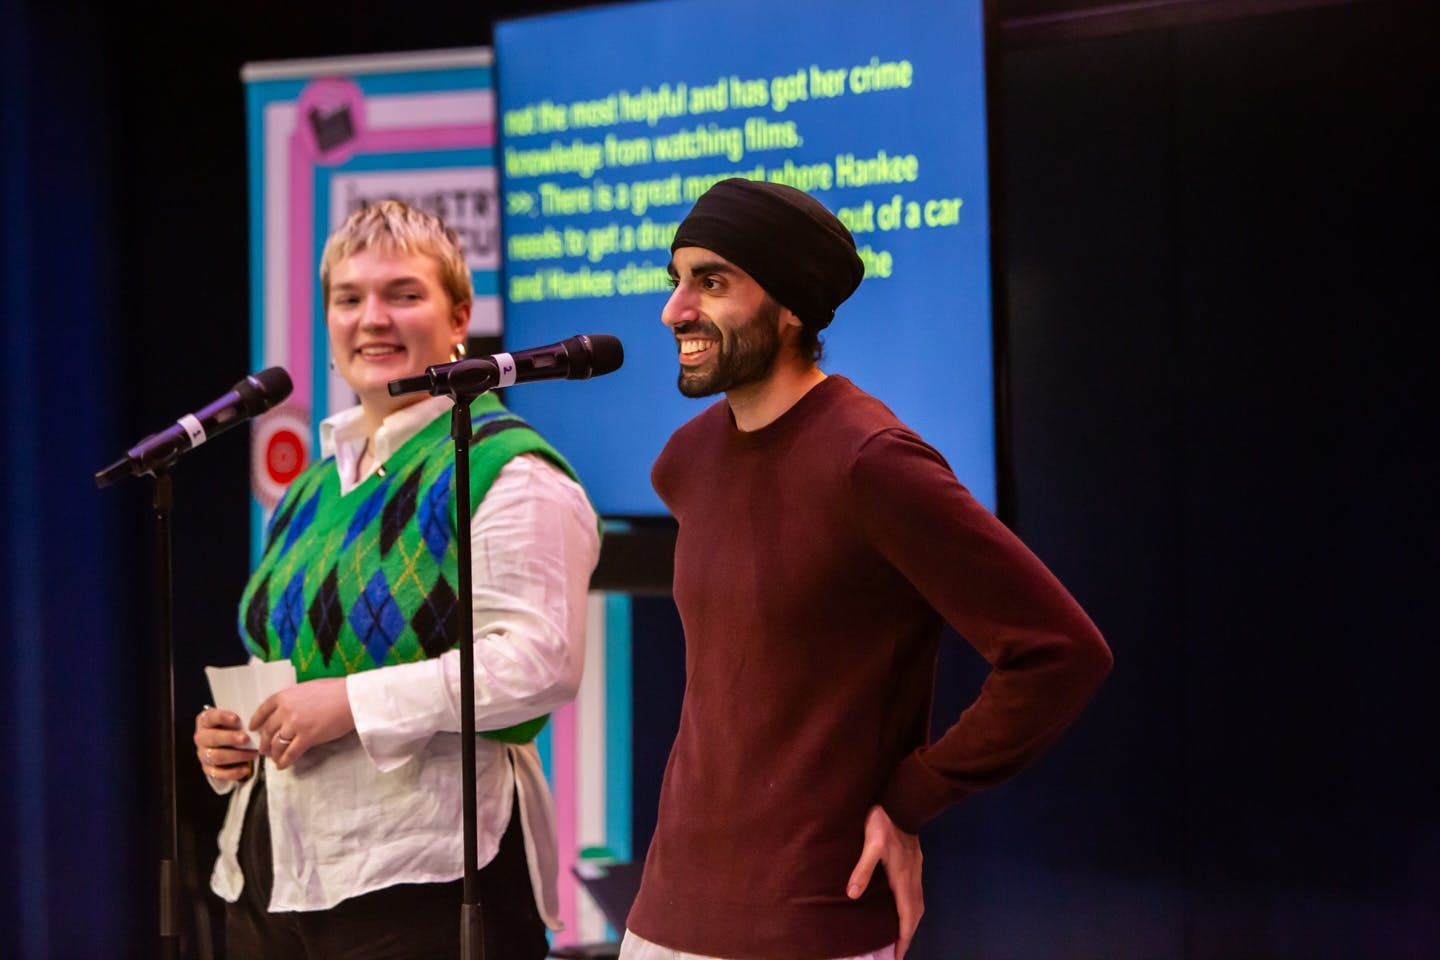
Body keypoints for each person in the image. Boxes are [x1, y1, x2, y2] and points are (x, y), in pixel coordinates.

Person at [621, 178, 1114, 960]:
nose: (675, 309)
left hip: (814, 920)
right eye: (676, 280)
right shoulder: (687, 459)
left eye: (710, 282)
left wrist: (911, 798)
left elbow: (1060, 650)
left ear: (792, 308)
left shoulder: (870, 462)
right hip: (663, 915)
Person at [192, 199, 600, 959]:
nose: (371, 319)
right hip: (269, 874)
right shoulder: (313, 489)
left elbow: (539, 663)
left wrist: (346, 704)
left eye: (402, 294)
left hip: (422, 880)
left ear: (459, 318)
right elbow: (286, 662)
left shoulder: (505, 469)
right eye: (349, 299)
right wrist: (238, 736)